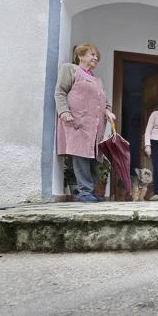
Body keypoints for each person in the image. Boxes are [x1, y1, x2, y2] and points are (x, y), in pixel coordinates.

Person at [55, 43, 115, 202]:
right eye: (91, 54)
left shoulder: (98, 80)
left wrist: (108, 112)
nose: (95, 58)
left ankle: (91, 192)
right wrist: (64, 111)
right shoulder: (70, 69)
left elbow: (106, 101)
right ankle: (84, 192)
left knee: (94, 158)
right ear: (80, 56)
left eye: (97, 56)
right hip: (78, 121)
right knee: (81, 155)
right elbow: (60, 91)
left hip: (95, 125)